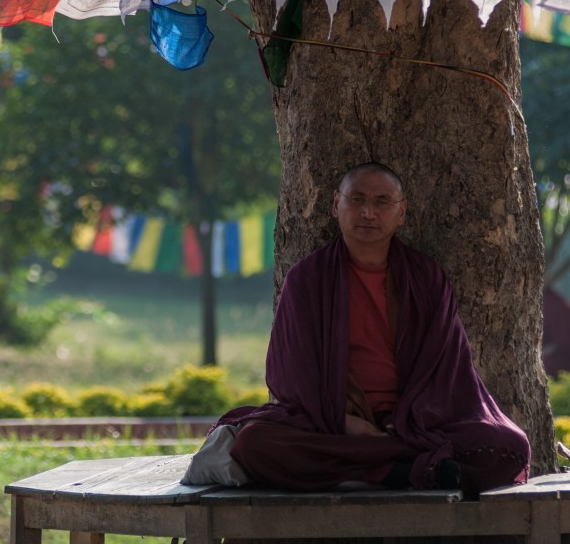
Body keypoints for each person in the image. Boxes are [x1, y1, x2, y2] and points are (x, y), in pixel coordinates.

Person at [214, 162, 530, 496]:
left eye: (382, 202)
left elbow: (447, 367)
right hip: (334, 425)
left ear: (402, 212)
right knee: (255, 442)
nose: (368, 212)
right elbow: (290, 375)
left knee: (508, 446)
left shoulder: (425, 279)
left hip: (414, 423)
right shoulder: (307, 279)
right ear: (336, 204)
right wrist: (344, 422)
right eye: (357, 200)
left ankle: (377, 468)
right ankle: (404, 470)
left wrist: (409, 417)